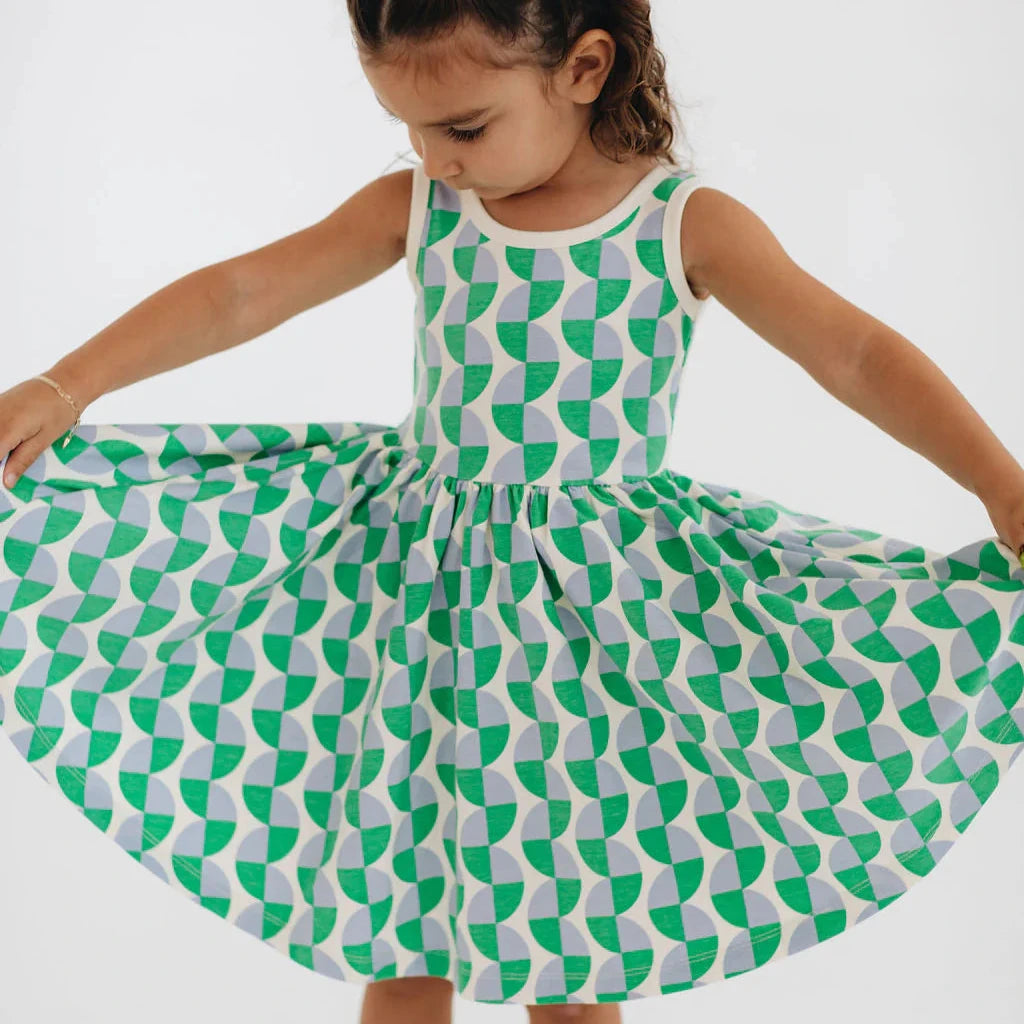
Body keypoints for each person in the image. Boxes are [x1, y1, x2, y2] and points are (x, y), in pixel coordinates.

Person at [1, 0, 1023, 1018]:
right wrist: (67, 384)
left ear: (584, 69)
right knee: (400, 932)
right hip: (410, 607)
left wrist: (999, 481)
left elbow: (851, 352)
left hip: (591, 631)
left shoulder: (682, 223)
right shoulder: (418, 206)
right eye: (409, 129)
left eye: (463, 127)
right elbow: (240, 293)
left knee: (573, 956)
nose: (434, 159)